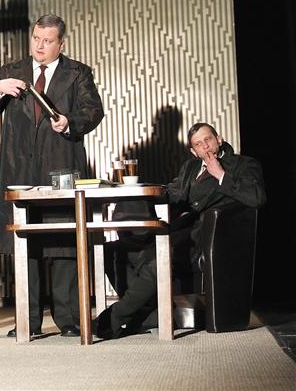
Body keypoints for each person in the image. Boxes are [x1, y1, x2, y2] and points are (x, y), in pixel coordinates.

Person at [0, 14, 104, 338]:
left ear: (61, 43)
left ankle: (69, 319)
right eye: (36, 39)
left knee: (64, 241)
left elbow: (93, 110)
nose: (40, 46)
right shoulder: (12, 71)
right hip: (19, 168)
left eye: (47, 41)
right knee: (25, 242)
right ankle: (27, 320)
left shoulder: (78, 73)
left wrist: (69, 121)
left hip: (59, 165)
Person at [96, 122, 266, 339]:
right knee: (112, 250)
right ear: (193, 151)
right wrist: (140, 191)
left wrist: (221, 175)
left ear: (219, 139)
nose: (205, 146)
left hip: (207, 239)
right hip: (179, 231)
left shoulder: (243, 164)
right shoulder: (191, 167)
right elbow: (172, 194)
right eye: (199, 144)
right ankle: (149, 314)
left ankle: (112, 319)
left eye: (208, 139)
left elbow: (257, 197)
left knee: (157, 261)